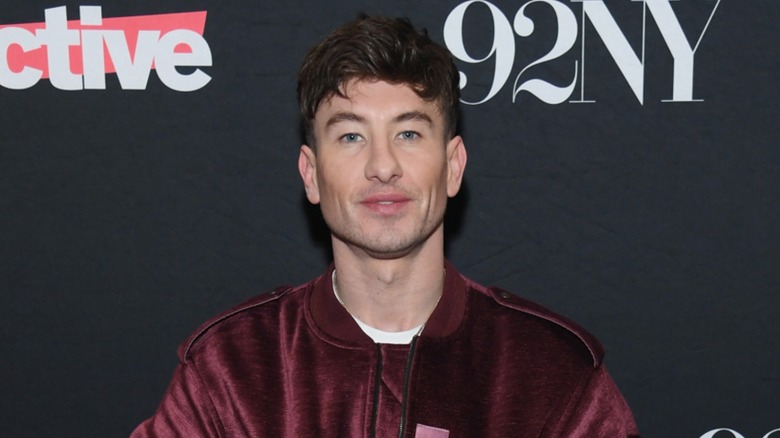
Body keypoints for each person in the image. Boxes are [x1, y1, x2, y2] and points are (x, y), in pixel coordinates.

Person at [131, 15, 639, 438]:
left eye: (410, 132)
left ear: (454, 166)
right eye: (351, 136)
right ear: (311, 173)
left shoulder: (554, 373)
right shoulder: (231, 369)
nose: (383, 165)